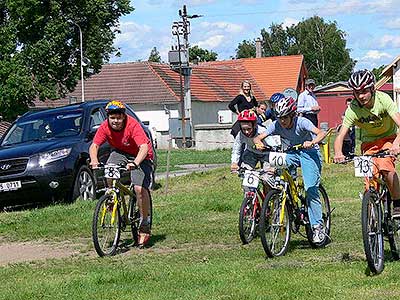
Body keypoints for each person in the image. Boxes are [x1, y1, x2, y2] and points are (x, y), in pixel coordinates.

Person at [253, 96, 327, 243]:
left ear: (292, 115)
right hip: (291, 153)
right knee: (274, 172)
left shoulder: (302, 122)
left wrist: (311, 142)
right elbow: (258, 137)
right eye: (280, 117)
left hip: (309, 153)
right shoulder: (276, 125)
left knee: (310, 188)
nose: (282, 121)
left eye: (285, 117)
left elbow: (321, 133)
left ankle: (318, 227)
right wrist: (258, 142)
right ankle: (283, 196)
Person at [334, 69, 400, 217]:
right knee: (369, 180)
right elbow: (340, 135)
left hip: (388, 139)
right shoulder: (353, 109)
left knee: (386, 167)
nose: (361, 96)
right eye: (357, 93)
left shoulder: (383, 99)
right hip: (368, 144)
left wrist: (396, 144)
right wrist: (338, 152)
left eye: (364, 91)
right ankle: (372, 216)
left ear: (372, 88)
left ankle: (397, 202)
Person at [89, 100, 155, 247]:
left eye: (118, 118)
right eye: (112, 118)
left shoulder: (133, 126)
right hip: (120, 152)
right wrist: (94, 160)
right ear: (108, 118)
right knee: (109, 170)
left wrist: (135, 163)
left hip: (141, 155)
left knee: (139, 189)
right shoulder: (104, 127)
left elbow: (143, 147)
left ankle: (144, 223)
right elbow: (95, 145)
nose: (116, 121)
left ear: (123, 117)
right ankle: (111, 197)